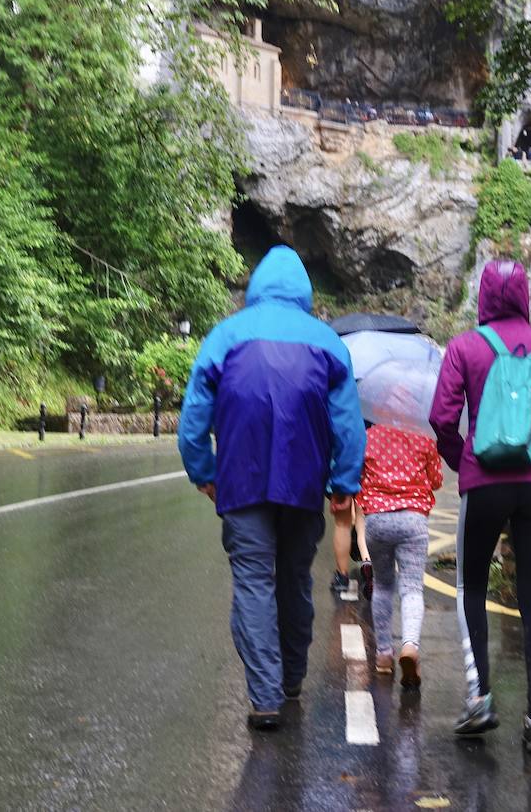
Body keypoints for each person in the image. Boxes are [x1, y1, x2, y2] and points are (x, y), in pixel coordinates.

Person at [178, 246, 367, 732]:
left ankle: (264, 697)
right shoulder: (327, 342)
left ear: (256, 286)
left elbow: (194, 417)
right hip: (304, 485)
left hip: (240, 483)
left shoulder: (224, 336)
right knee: (295, 580)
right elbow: (348, 422)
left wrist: (204, 472)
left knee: (254, 584)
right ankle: (291, 680)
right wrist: (344, 482)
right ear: (304, 291)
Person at [429, 260, 531, 754]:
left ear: (483, 295)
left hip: (484, 484)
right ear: (524, 294)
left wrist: (465, 461)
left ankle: (480, 700)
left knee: (471, 585)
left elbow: (442, 417)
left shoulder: (464, 347)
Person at [360, 422, 444, 687]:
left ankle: (383, 654)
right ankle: (410, 645)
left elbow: (357, 475)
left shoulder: (368, 437)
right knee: (411, 589)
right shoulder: (424, 436)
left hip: (377, 520)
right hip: (413, 520)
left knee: (383, 585)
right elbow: (437, 481)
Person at [330, 496, 372, 600]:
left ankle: (342, 576)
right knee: (364, 527)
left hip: (351, 486)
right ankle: (368, 563)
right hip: (373, 487)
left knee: (347, 524)